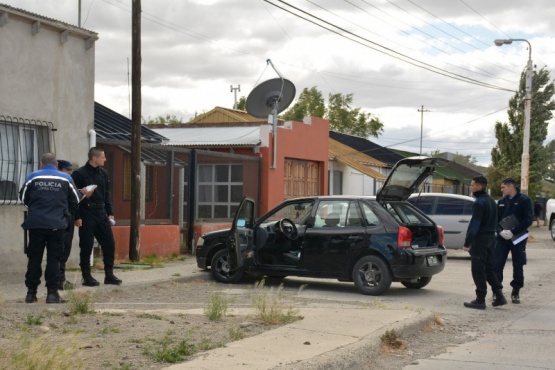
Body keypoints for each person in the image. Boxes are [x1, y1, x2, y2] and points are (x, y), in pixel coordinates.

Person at [19, 153, 80, 303]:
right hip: (57, 224)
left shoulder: (32, 177)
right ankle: (52, 294)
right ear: (56, 165)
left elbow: (23, 198)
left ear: (41, 163)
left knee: (34, 258)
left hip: (36, 224)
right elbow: (76, 199)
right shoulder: (65, 178)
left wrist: (34, 209)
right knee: (54, 258)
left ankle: (31, 293)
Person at [71, 147, 122, 286]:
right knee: (86, 245)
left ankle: (109, 275)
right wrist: (77, 216)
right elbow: (73, 196)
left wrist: (110, 212)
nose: (105, 159)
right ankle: (86, 277)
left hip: (101, 213)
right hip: (86, 212)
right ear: (94, 158)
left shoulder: (103, 173)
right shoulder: (79, 174)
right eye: (103, 157)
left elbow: (106, 194)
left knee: (109, 243)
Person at [463, 176, 507, 309]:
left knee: (478, 269)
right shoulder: (491, 202)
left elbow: (475, 225)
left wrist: (467, 243)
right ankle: (499, 295)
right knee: (488, 268)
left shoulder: (479, 203)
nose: (471, 188)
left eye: (472, 185)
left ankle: (480, 299)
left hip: (480, 240)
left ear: (479, 187)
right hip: (491, 239)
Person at [494, 178, 534, 304]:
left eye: (503, 187)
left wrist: (513, 231)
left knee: (518, 264)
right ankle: (497, 291)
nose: (501, 190)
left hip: (518, 238)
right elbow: (495, 220)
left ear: (511, 187)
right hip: (502, 238)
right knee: (497, 264)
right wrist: (499, 231)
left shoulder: (524, 200)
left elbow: (528, 219)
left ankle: (516, 290)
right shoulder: (501, 202)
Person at [57, 159, 77, 290]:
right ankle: (58, 281)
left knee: (65, 250)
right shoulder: (59, 182)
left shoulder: (69, 180)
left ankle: (61, 279)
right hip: (60, 219)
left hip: (69, 218)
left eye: (71, 170)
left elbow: (74, 201)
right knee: (60, 251)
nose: (69, 172)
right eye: (67, 170)